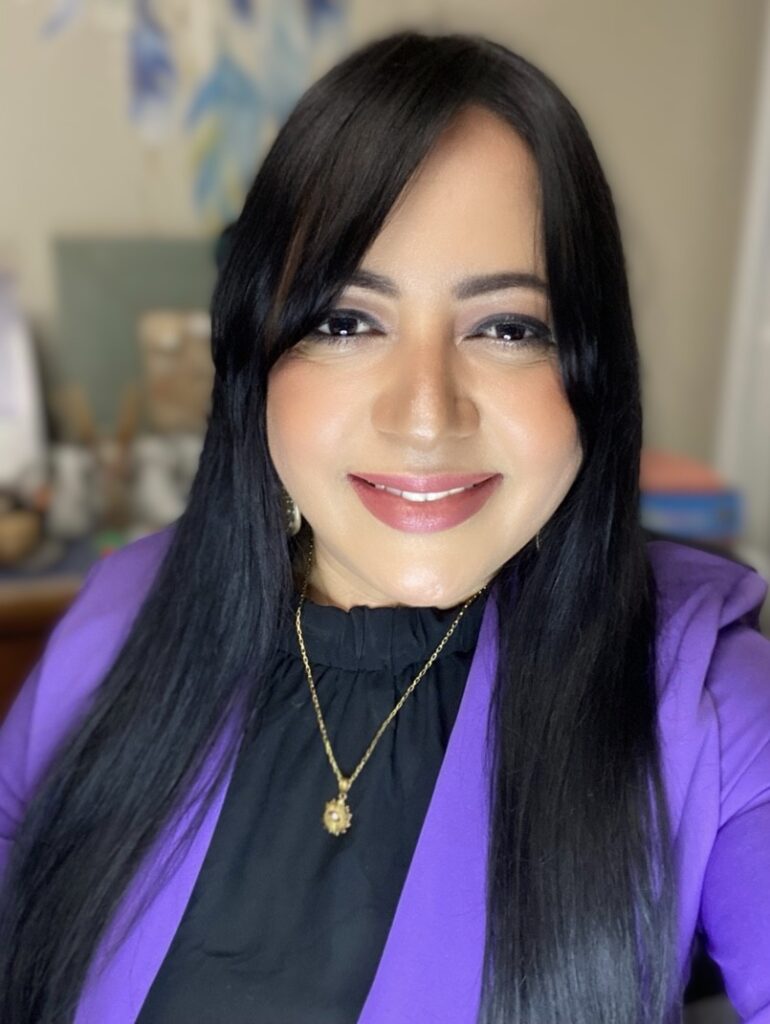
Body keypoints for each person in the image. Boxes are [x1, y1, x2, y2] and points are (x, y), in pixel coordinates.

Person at [1, 29, 769, 1024]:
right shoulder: (122, 615)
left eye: (507, 328)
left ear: (591, 369)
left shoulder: (706, 698)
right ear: (255, 356)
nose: (423, 416)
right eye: (345, 321)